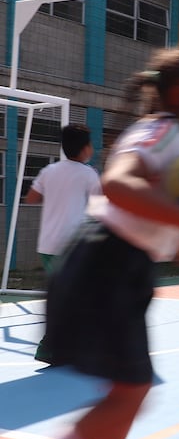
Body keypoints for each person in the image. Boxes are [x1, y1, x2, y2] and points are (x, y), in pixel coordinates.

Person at [39, 43, 179, 439]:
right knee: (131, 390)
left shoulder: (177, 144)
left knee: (128, 392)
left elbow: (146, 206)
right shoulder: (163, 132)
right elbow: (117, 183)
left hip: (119, 266)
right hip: (107, 263)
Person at [24, 125, 102, 364]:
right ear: (86, 148)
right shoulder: (89, 174)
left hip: (48, 245)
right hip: (72, 246)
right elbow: (101, 207)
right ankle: (51, 347)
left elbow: (31, 198)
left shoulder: (50, 170)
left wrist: (57, 195)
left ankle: (62, 346)